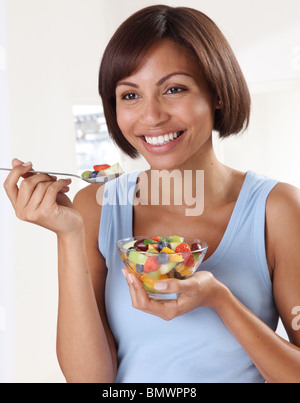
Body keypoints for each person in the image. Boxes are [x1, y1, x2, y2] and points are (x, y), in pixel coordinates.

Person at [3, 5, 300, 383]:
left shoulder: (278, 209)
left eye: (174, 89)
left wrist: (220, 300)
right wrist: (68, 234)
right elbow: (90, 380)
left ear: (218, 94)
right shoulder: (95, 207)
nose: (151, 116)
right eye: (130, 96)